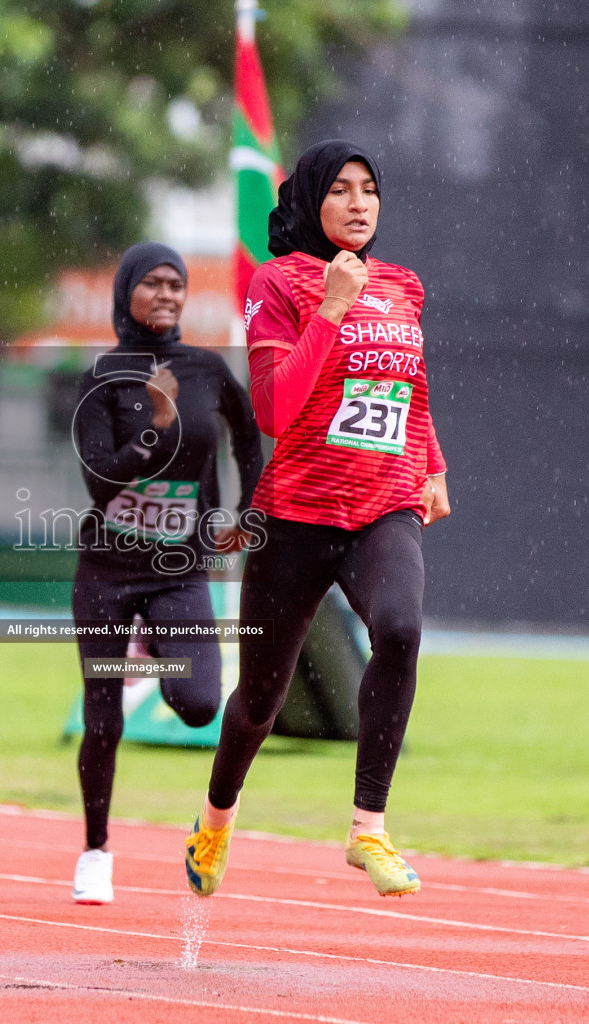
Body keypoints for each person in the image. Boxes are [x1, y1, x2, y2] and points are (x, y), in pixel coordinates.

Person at [184, 140, 451, 899]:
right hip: (296, 515)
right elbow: (273, 408)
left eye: (370, 189)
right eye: (341, 190)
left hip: (384, 504)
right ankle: (214, 821)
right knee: (260, 699)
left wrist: (432, 465)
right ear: (310, 201)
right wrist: (331, 309)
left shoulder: (404, 285)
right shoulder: (279, 283)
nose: (360, 203)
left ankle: (368, 828)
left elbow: (410, 388)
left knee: (399, 628)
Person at [69, 242, 263, 904]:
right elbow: (99, 483)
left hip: (179, 572)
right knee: (103, 719)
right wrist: (155, 425)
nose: (167, 295)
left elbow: (247, 437)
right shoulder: (104, 378)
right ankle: (95, 851)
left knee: (200, 704)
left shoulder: (207, 370)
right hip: (107, 572)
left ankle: (153, 641)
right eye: (151, 283)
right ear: (125, 293)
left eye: (176, 285)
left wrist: (247, 512)